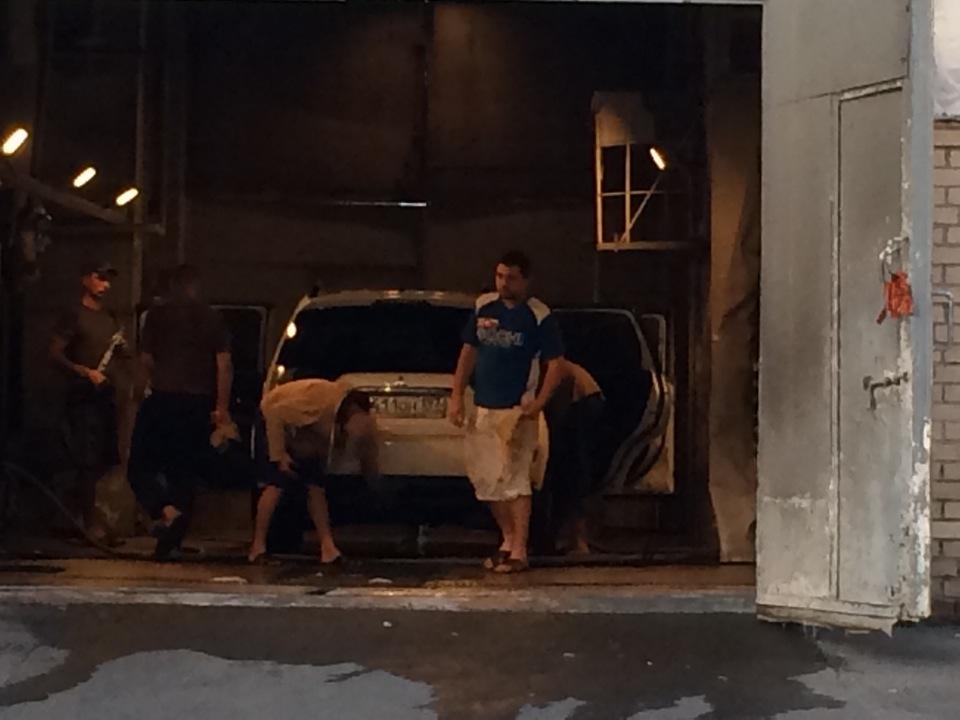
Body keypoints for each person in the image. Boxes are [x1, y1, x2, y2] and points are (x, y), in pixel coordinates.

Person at [448, 251, 565, 573]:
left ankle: (520, 549)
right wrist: (456, 394)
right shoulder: (484, 306)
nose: (504, 283)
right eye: (500, 276)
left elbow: (555, 364)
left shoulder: (538, 315)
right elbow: (468, 351)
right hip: (484, 405)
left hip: (517, 409)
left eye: (511, 278)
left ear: (525, 280)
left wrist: (539, 402)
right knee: (486, 480)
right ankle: (507, 538)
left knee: (515, 479)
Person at [127, 265, 233, 560]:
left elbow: (146, 361)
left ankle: (164, 511)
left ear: (172, 285)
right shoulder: (212, 318)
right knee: (184, 473)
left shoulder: (156, 316)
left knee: (139, 466)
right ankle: (170, 541)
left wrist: (138, 392)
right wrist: (221, 408)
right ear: (195, 285)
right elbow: (224, 365)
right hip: (197, 401)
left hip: (163, 397)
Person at [250, 379, 379, 565]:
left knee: (316, 486)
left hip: (301, 432)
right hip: (271, 419)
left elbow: (365, 450)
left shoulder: (349, 419)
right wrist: (279, 455)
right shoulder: (320, 405)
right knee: (275, 484)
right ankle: (257, 548)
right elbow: (275, 413)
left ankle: (328, 548)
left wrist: (372, 481)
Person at [50, 259, 125, 543]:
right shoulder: (74, 315)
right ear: (85, 279)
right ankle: (86, 523)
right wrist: (82, 371)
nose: (105, 284)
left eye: (108, 279)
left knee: (104, 458)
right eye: (99, 277)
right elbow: (55, 353)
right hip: (82, 398)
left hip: (105, 397)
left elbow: (122, 354)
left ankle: (80, 518)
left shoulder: (110, 317)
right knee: (85, 459)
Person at [544, 359, 606, 556]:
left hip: (579, 402)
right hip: (581, 400)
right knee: (571, 470)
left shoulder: (553, 365)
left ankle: (578, 540)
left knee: (571, 470)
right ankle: (574, 539)